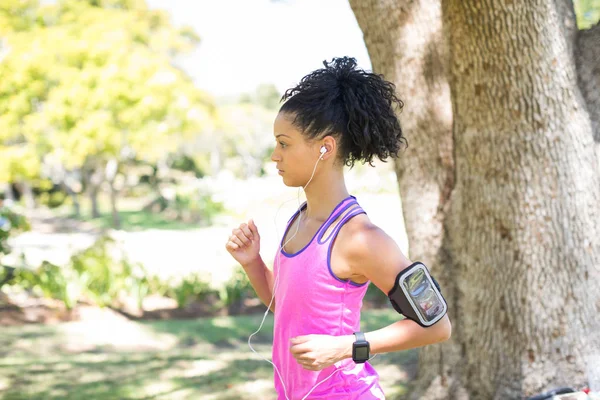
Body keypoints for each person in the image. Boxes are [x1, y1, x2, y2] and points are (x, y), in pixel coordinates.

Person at [225, 56, 452, 400]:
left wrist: (347, 346)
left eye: (284, 143)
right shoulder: (297, 221)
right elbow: (286, 305)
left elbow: (437, 326)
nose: (275, 155)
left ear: (325, 148)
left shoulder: (361, 238)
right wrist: (252, 262)